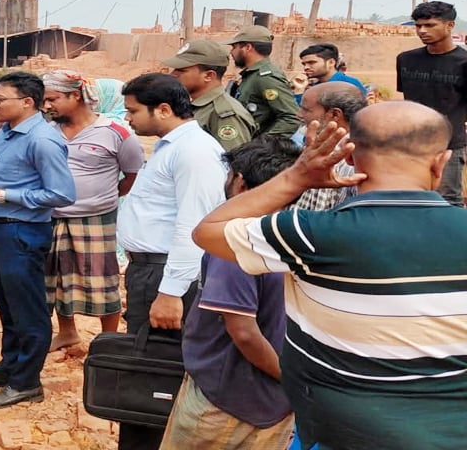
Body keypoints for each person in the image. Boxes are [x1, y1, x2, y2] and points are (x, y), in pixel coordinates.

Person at [193, 102, 467, 450]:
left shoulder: (310, 235)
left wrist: (297, 176)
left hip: (338, 432)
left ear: (350, 158)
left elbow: (209, 231)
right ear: (441, 161)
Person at [159, 136, 300, 450]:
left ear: (239, 181)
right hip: (273, 401)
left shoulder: (234, 241)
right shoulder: (294, 232)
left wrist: (292, 381)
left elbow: (245, 333)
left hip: (226, 400)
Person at [116, 73, 227, 449]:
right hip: (150, 270)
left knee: (152, 376)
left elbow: (193, 226)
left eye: (132, 111)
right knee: (145, 369)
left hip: (164, 273)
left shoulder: (194, 151)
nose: (127, 118)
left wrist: (170, 292)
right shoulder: (171, 146)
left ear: (162, 109)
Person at [0, 71, 76, 409]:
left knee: (29, 311)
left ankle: (26, 383)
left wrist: (7, 195)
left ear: (27, 102)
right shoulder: (8, 132)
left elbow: (62, 194)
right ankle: (9, 368)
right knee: (7, 306)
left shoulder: (43, 139)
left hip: (20, 232)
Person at [41, 70, 144, 349]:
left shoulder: (116, 133)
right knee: (57, 278)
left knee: (102, 280)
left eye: (53, 99)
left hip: (96, 219)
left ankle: (107, 339)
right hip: (51, 217)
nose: (47, 105)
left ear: (75, 96)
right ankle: (67, 332)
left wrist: (106, 197)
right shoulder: (45, 131)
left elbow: (132, 173)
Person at [397, 0, 467, 206]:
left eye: (430, 25)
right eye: (418, 25)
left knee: (447, 199)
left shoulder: (464, 63)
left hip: (449, 145)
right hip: (409, 143)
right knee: (410, 196)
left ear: (450, 25)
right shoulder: (405, 59)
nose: (422, 31)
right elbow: (406, 100)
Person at [162, 39, 258, 152]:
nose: (173, 75)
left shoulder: (224, 114)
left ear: (208, 76)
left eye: (181, 70)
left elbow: (234, 164)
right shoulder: (197, 106)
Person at [289, 81, 366, 212]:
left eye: (306, 110)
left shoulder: (346, 159)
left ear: (335, 114)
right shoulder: (321, 147)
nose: (299, 115)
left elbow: (317, 212)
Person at [226, 26, 300, 137]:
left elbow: (291, 118)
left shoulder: (266, 78)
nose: (231, 52)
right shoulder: (252, 75)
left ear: (247, 47)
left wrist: (262, 145)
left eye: (234, 47)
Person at [298, 43, 366, 93]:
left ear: (331, 62)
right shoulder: (312, 87)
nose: (306, 67)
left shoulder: (349, 84)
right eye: (304, 64)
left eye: (312, 62)